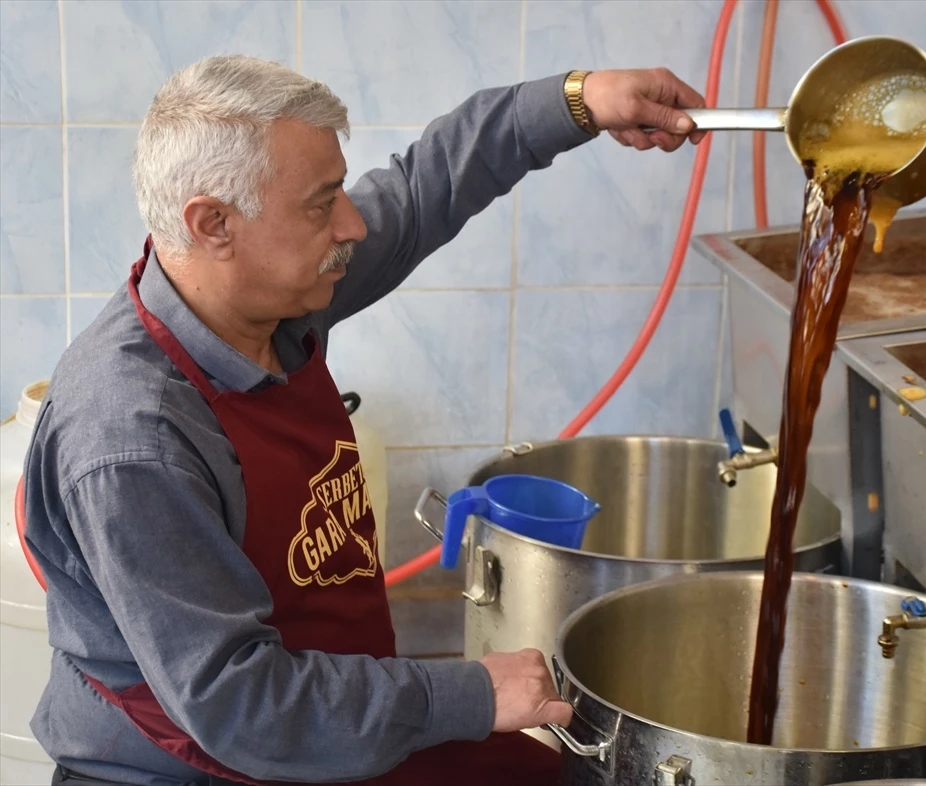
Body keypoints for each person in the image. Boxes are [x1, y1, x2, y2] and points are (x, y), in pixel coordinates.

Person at [19, 54, 707, 786]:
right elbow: (244, 707)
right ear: (212, 222)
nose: (351, 222)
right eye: (322, 203)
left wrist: (581, 100)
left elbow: (423, 188)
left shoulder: (263, 297)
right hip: (205, 765)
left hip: (328, 723)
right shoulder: (132, 438)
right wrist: (472, 691)